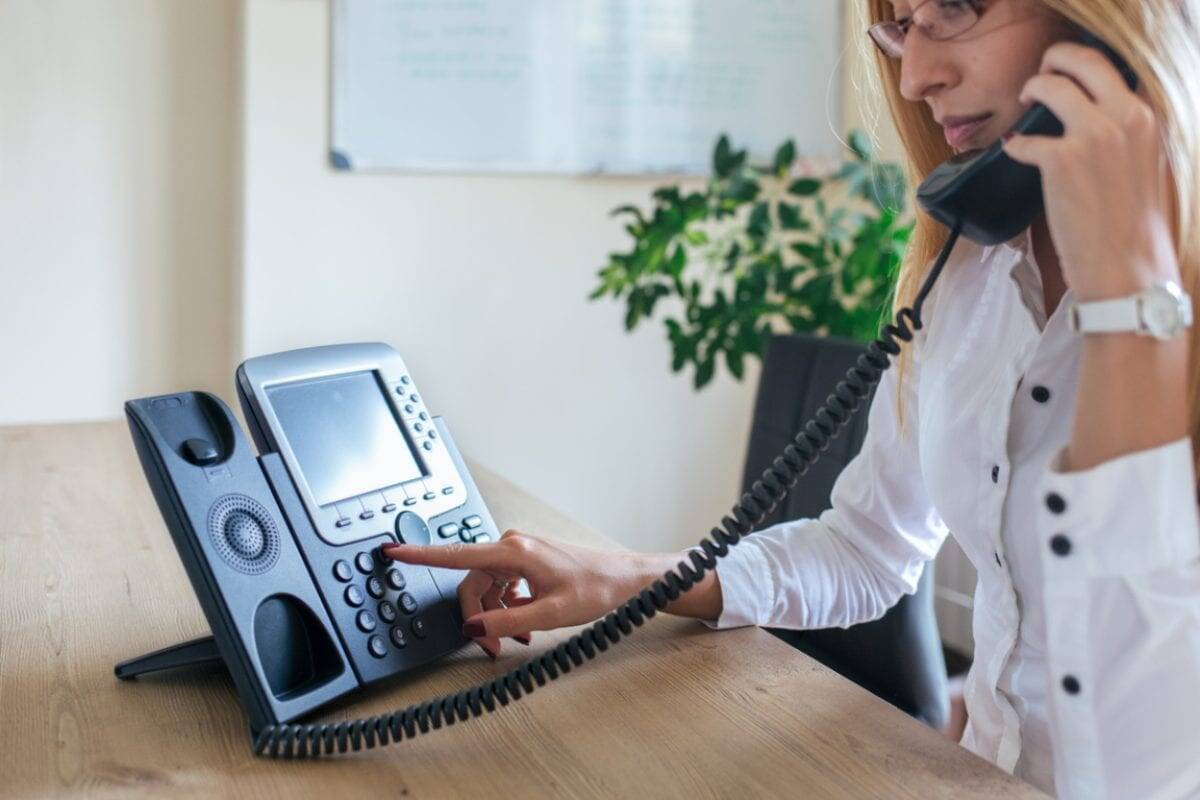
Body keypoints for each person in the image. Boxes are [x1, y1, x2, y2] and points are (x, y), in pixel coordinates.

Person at [384, 1, 1200, 796]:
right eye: (902, 25)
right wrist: (626, 578)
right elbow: (867, 549)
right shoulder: (973, 274)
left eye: (956, 7)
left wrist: (1132, 302)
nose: (914, 75)